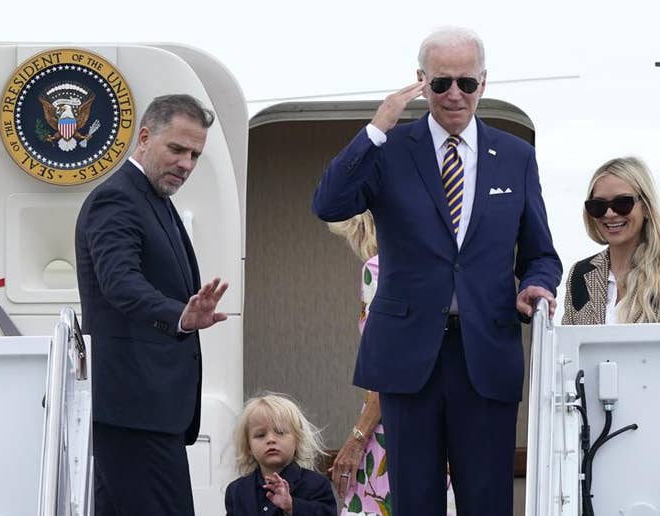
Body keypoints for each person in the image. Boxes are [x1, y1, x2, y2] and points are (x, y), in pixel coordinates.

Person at [312, 27, 562, 515]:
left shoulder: (515, 156)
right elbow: (328, 203)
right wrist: (375, 129)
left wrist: (537, 284)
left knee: (487, 501)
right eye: (442, 82)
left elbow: (541, 253)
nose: (454, 95)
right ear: (420, 81)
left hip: (485, 352)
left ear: (484, 83)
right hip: (410, 356)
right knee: (415, 502)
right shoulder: (389, 149)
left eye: (466, 83)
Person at [75, 94, 229, 515]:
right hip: (133, 408)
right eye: (177, 149)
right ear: (144, 138)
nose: (186, 163)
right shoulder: (118, 198)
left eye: (195, 154)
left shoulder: (153, 199)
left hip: (149, 409)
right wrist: (179, 315)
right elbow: (119, 282)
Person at [327, 213, 457, 515]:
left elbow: (388, 367)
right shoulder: (436, 268)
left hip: (394, 431)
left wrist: (357, 437)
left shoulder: (379, 269)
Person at [562, 157, 660, 325]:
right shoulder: (580, 274)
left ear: (646, 207)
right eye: (598, 205)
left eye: (622, 203)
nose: (610, 213)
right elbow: (568, 346)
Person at [225, 393, 336, 516]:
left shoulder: (316, 484)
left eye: (280, 432)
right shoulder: (236, 490)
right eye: (260, 435)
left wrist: (292, 506)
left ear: (297, 440)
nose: (271, 439)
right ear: (248, 446)